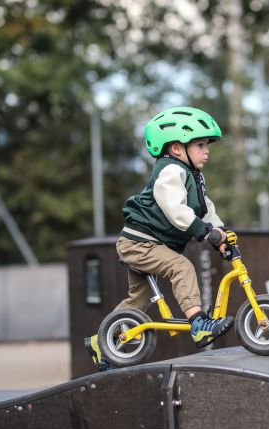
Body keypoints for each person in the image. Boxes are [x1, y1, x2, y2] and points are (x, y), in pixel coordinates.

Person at [86, 106, 234, 370]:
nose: (207, 150)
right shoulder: (169, 172)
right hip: (140, 243)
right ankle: (198, 324)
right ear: (177, 148)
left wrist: (220, 231)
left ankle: (102, 344)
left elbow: (205, 207)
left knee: (138, 302)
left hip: (148, 244)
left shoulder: (194, 177)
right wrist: (203, 231)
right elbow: (175, 210)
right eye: (200, 144)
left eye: (206, 145)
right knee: (181, 266)